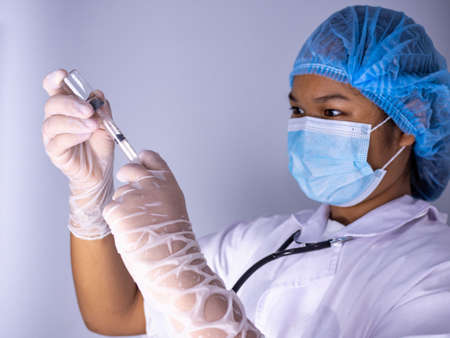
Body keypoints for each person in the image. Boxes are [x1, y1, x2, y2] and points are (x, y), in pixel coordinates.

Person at [41, 5, 450, 338]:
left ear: (406, 126)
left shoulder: (435, 269)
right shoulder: (259, 242)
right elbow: (117, 314)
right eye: (297, 110)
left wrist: (195, 294)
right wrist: (91, 196)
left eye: (331, 112)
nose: (307, 127)